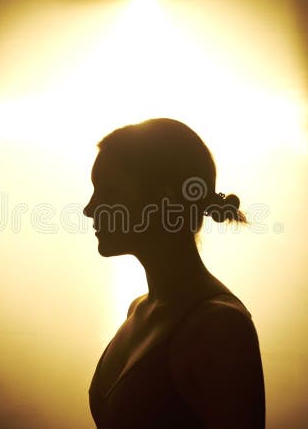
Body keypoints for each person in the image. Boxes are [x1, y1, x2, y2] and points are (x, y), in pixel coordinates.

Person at [83, 118, 266, 428]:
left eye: (110, 192)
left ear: (164, 202)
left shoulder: (220, 327)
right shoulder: (139, 309)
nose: (90, 208)